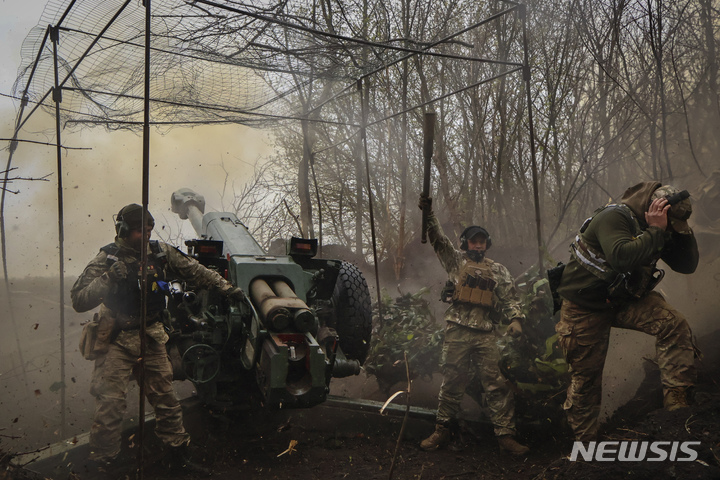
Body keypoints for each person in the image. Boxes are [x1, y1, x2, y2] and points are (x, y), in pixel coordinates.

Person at [71, 203, 246, 473]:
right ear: (124, 230)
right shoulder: (107, 258)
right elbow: (79, 299)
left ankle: (177, 457)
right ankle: (104, 465)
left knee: (167, 401)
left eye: (150, 229)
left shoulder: (160, 253)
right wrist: (107, 278)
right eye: (141, 231)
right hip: (117, 338)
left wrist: (227, 288)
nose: (147, 236)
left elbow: (195, 270)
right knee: (110, 406)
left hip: (151, 337)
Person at [555, 182, 699, 442]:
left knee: (673, 324)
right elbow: (621, 256)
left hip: (624, 299)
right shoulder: (614, 217)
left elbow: (687, 265)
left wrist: (682, 230)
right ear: (651, 208)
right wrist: (656, 229)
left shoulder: (659, 225)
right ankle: (586, 444)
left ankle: (678, 405)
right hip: (584, 307)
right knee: (586, 378)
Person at [418, 195, 529, 455]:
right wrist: (429, 213)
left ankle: (505, 437)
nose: (477, 245)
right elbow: (438, 239)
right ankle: (442, 431)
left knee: (496, 383)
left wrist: (515, 319)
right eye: (473, 240)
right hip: (457, 329)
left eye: (481, 241)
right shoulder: (456, 262)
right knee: (452, 381)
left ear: (486, 244)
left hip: (485, 334)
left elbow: (510, 297)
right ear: (466, 243)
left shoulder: (498, 271)